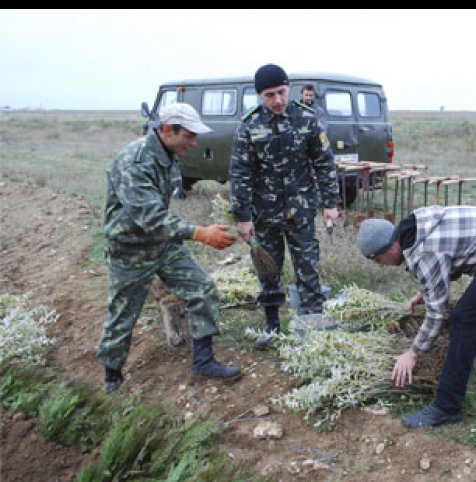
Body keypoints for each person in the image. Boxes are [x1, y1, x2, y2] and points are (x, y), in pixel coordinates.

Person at [97, 102, 242, 394]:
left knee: (202, 288)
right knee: (124, 313)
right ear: (167, 130)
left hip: (162, 242)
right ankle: (112, 377)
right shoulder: (134, 162)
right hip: (131, 248)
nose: (194, 141)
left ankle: (203, 360)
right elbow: (149, 216)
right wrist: (199, 233)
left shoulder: (168, 154)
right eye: (189, 135)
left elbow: (161, 214)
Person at [356, 205, 476, 428]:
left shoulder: (423, 252)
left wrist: (413, 353)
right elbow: (448, 257)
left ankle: (447, 407)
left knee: (463, 318)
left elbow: (437, 313)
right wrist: (426, 291)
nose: (381, 266)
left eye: (378, 260)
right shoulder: (413, 228)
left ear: (390, 248)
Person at [230, 64, 340, 349]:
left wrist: (330, 203)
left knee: (308, 266)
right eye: (269, 95)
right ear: (259, 96)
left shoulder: (307, 119)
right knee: (268, 269)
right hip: (264, 213)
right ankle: (272, 326)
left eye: (281, 92)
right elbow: (240, 174)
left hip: (300, 209)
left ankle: (312, 324)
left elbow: (324, 163)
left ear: (289, 88)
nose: (277, 100)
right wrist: (242, 217)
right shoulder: (249, 126)